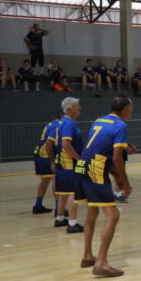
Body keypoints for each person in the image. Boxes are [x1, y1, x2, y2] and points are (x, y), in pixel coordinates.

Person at [75, 95, 133, 278]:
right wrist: (125, 182)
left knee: (92, 212)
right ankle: (101, 263)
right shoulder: (121, 125)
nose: (132, 111)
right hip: (95, 168)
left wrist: (117, 177)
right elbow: (116, 158)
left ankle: (87, 256)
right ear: (124, 109)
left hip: (82, 165)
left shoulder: (100, 119)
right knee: (113, 215)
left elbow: (100, 150)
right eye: (131, 108)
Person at [54, 97, 84, 233]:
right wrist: (78, 159)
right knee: (73, 191)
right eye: (77, 106)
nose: (80, 108)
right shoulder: (68, 123)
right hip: (69, 162)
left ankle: (60, 219)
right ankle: (72, 223)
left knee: (64, 192)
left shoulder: (64, 122)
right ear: (68, 109)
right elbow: (66, 145)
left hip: (63, 161)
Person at [32, 112, 62, 214]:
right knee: (56, 180)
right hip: (46, 156)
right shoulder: (58, 125)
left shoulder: (51, 123)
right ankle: (59, 208)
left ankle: (38, 205)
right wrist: (52, 161)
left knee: (45, 181)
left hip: (39, 154)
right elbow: (49, 143)